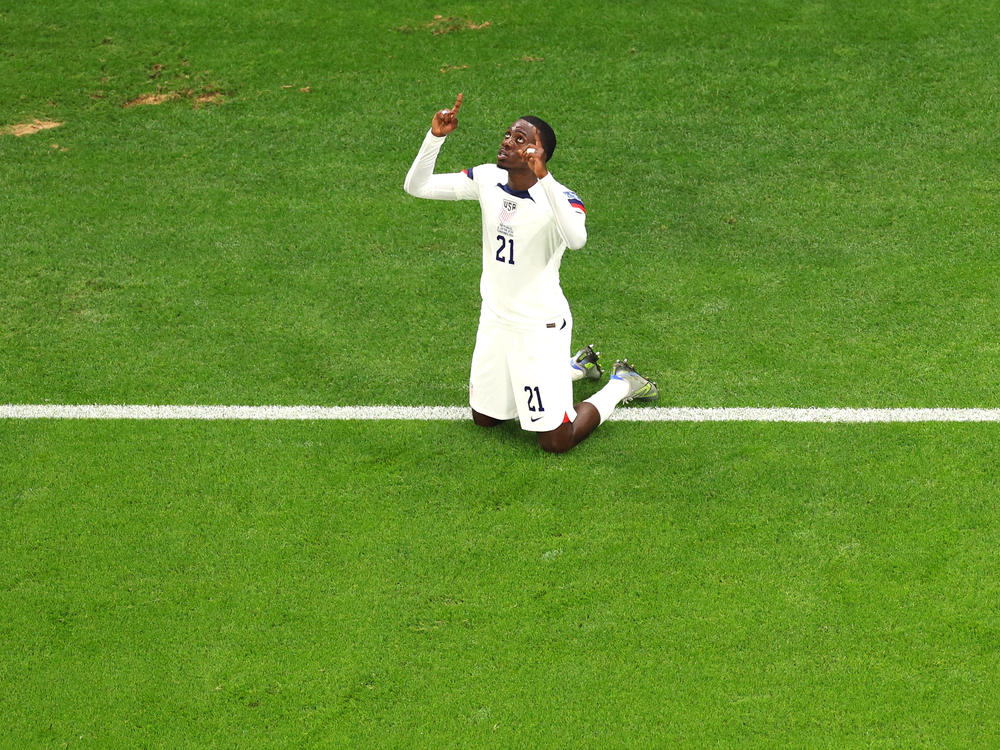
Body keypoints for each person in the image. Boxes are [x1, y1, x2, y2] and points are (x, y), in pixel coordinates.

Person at [404, 93, 657, 453]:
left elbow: (577, 240)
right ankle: (576, 366)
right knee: (485, 419)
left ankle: (621, 383)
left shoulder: (562, 198)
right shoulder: (486, 179)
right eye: (508, 135)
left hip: (540, 329)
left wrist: (545, 178)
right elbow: (416, 186)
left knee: (556, 441)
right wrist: (436, 137)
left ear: (538, 154)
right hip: (495, 321)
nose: (507, 141)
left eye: (520, 139)